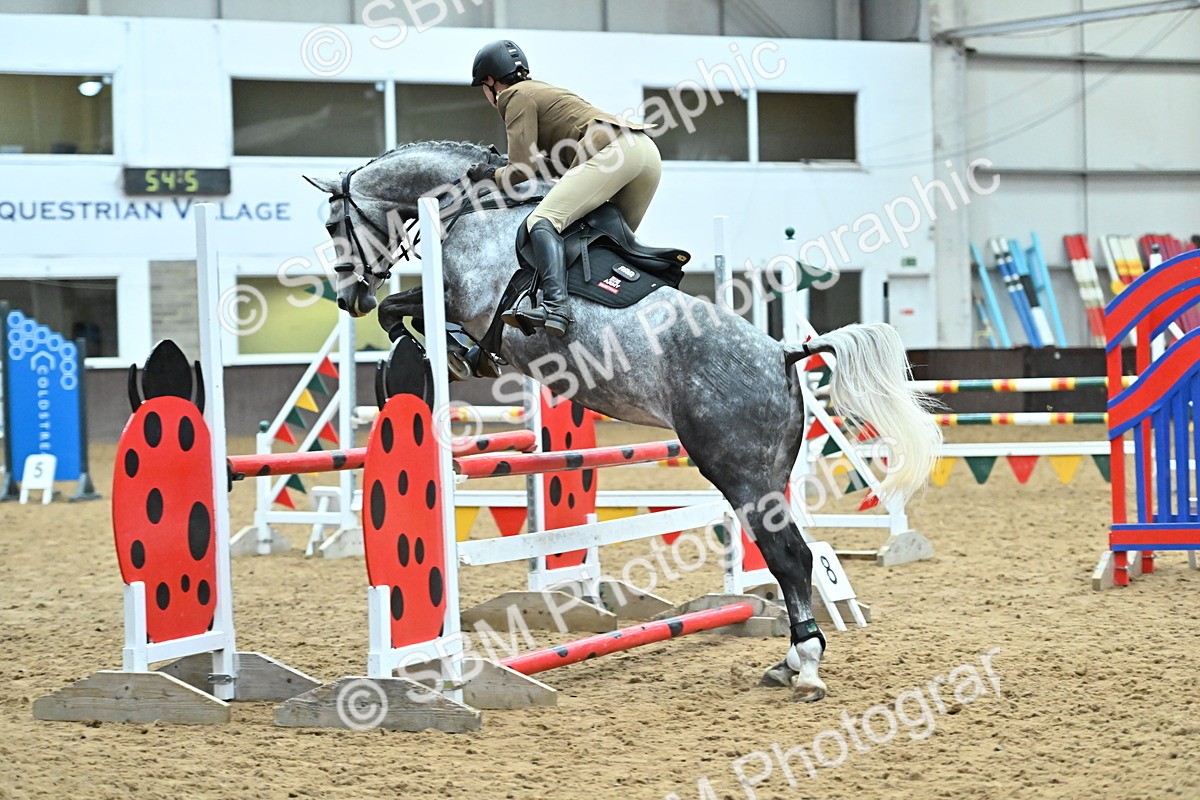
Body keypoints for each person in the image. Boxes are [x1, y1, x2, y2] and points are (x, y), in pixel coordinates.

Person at [468, 40, 662, 336]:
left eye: (484, 88)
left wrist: (489, 174)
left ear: (491, 82)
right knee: (605, 243)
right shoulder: (544, 92)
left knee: (541, 221)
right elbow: (552, 165)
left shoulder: (514, 97)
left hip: (615, 152)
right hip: (645, 154)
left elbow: (521, 170)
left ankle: (556, 307)